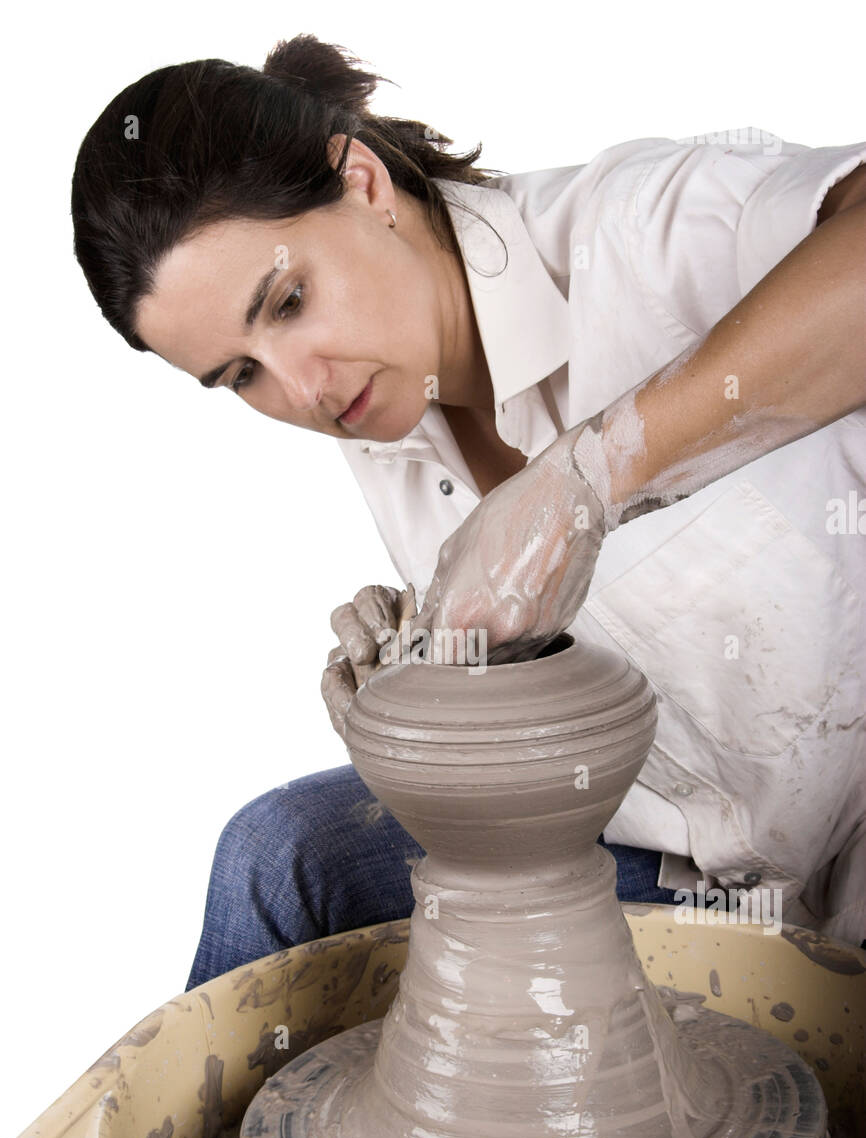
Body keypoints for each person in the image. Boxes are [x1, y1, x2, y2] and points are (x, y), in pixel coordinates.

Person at [70, 34, 866, 989]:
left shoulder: (629, 236)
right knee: (276, 855)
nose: (303, 391)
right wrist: (418, 692)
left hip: (850, 859)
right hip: (683, 880)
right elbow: (580, 723)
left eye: (287, 302)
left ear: (362, 183)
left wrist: (594, 472)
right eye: (241, 375)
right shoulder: (382, 420)